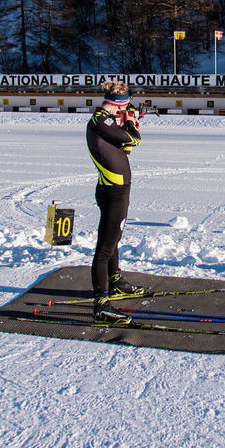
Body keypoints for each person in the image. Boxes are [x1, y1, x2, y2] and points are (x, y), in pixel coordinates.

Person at [86, 81, 145, 324]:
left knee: (113, 239)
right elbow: (134, 139)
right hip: (113, 191)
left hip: (115, 188)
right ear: (119, 104)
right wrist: (131, 123)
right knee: (104, 248)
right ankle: (101, 303)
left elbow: (124, 147)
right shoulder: (101, 120)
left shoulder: (107, 121)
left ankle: (115, 280)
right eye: (125, 107)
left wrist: (128, 123)